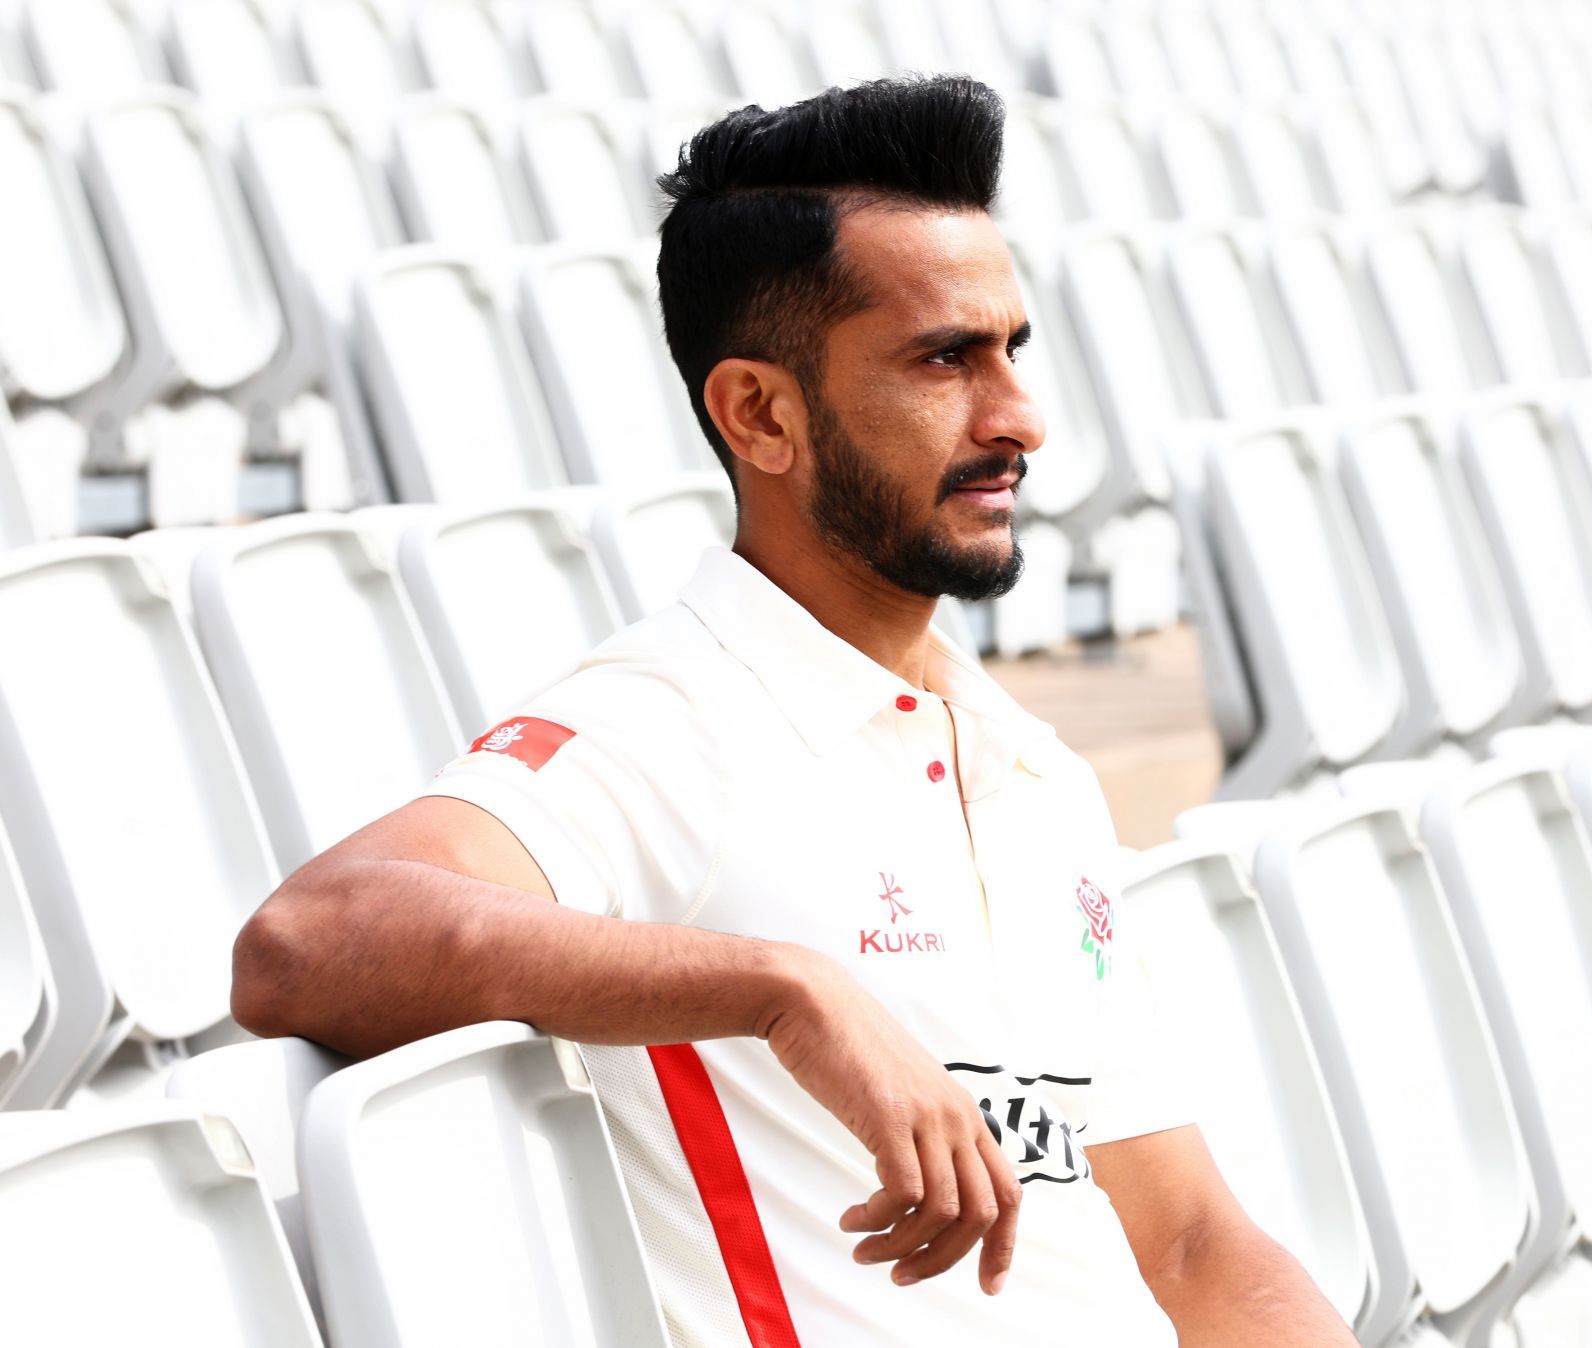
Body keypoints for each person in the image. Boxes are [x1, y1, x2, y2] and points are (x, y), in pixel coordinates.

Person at [231, 75, 1357, 1348]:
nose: (1019, 418)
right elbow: (305, 939)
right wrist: (784, 990)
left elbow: (1193, 1242)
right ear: (759, 412)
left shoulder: (1036, 772)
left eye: (1012, 351)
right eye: (945, 359)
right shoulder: (666, 723)